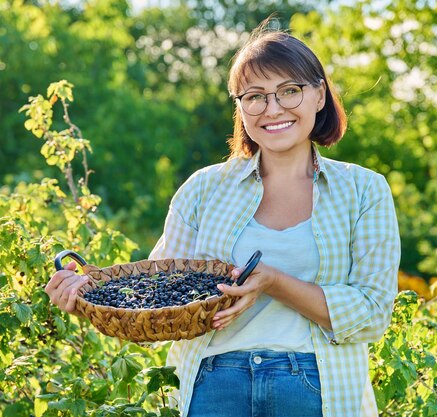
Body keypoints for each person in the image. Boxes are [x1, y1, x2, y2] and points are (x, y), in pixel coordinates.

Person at [45, 20, 400, 417]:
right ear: (240, 107)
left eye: (290, 91)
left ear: (319, 96)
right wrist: (88, 301)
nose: (273, 108)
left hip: (317, 386)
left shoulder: (363, 190)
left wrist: (272, 283)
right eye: (255, 96)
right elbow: (159, 303)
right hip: (212, 385)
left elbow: (372, 314)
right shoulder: (204, 189)